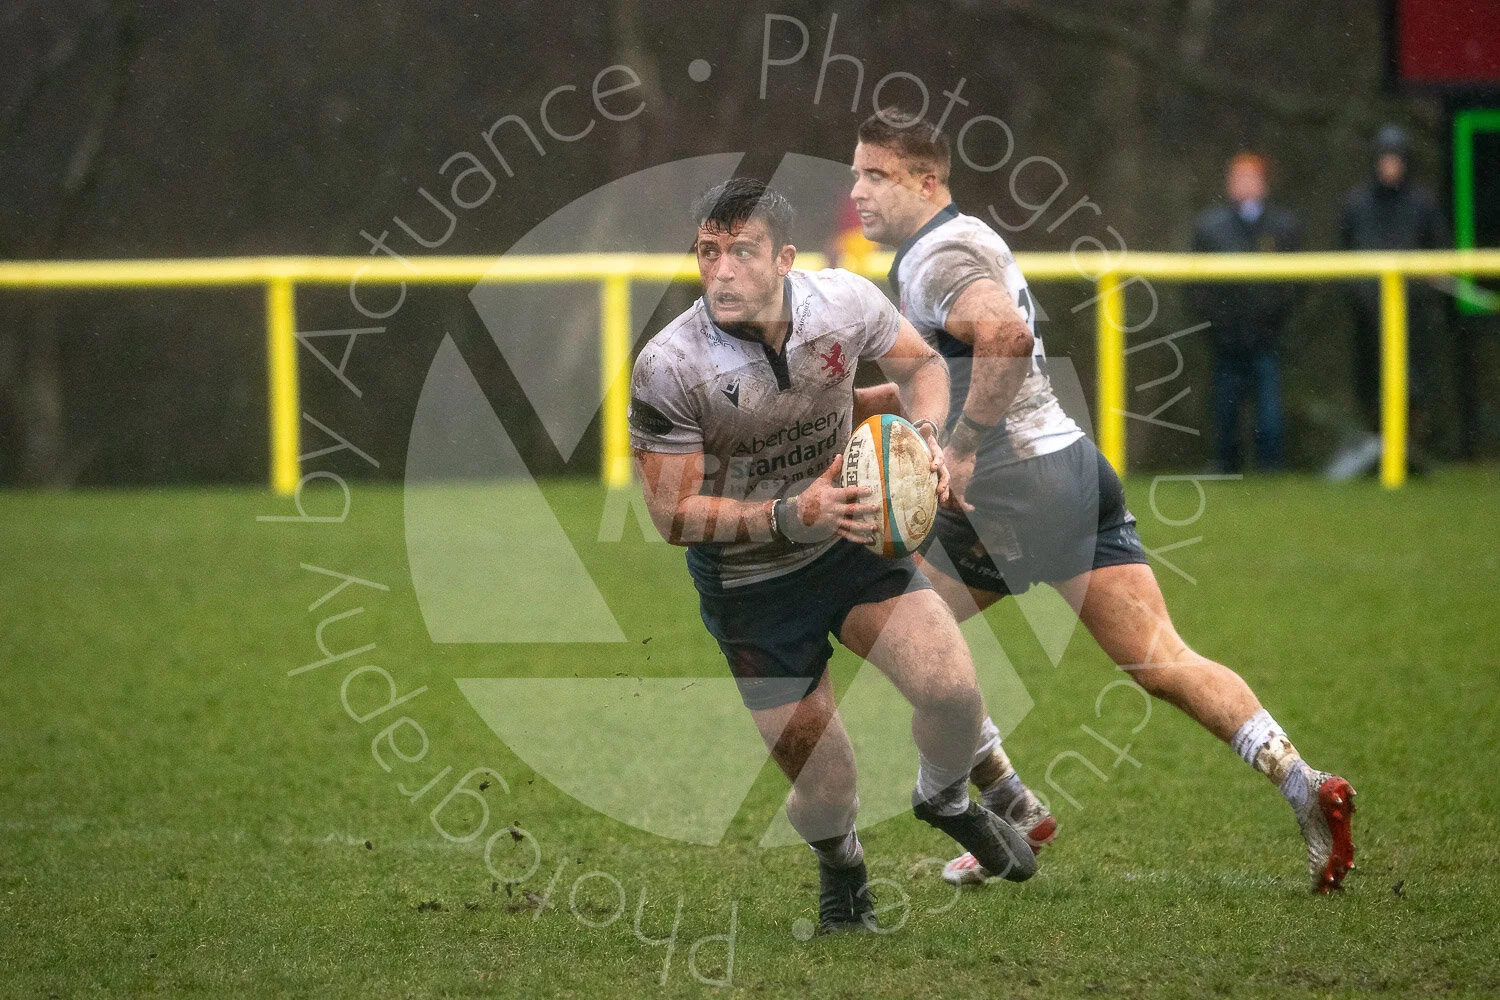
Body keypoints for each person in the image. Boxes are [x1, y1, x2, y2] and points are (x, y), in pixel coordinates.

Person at [848, 110, 1357, 894]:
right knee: (1164, 659)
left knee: (884, 620)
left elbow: (1006, 341)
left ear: (927, 181)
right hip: (1072, 468)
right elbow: (951, 368)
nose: (858, 192)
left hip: (1012, 485)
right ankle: (1303, 782)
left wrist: (962, 447)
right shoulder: (963, 238)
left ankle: (1007, 802)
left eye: (875, 176)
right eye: (855, 174)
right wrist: (847, 405)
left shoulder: (936, 257)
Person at [629, 178, 1035, 935]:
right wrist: (789, 511)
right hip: (750, 586)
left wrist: (932, 443)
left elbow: (922, 370)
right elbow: (670, 513)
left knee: (952, 691)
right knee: (829, 788)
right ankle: (843, 866)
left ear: (785, 258)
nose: (720, 270)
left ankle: (945, 798)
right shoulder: (670, 365)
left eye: (741, 253)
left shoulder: (844, 304)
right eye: (707, 253)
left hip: (851, 546)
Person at [1339, 124, 1449, 469]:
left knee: (1412, 385)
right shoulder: (1357, 204)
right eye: (1385, 159)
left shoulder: (1422, 203)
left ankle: (1406, 456)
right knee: (1372, 386)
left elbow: (1440, 253)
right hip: (1369, 317)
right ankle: (1378, 455)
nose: (1390, 167)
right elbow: (1343, 256)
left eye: (1396, 159)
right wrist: (1361, 297)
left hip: (1412, 315)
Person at [1186, 153, 1303, 473]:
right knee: (1225, 406)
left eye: (1251, 178)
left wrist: (1274, 319)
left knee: (1269, 410)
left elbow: (1295, 285)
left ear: (1264, 183)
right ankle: (1226, 462)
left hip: (1267, 335)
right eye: (1238, 178)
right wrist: (1216, 322)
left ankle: (1271, 466)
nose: (1244, 185)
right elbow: (1195, 285)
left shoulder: (1283, 226)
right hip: (1225, 337)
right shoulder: (1211, 227)